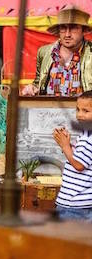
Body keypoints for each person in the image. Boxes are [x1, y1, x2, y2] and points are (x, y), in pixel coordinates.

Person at [22, 4, 92, 96]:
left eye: (73, 28)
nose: (67, 34)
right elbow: (39, 83)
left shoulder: (90, 53)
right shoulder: (44, 52)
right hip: (50, 109)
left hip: (82, 109)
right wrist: (32, 88)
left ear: (84, 31)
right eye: (63, 28)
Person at [53, 91, 92, 221]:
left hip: (75, 205)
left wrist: (65, 146)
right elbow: (81, 158)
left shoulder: (88, 137)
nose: (80, 115)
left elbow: (79, 164)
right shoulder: (85, 135)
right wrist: (68, 144)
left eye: (86, 111)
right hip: (78, 205)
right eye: (78, 109)